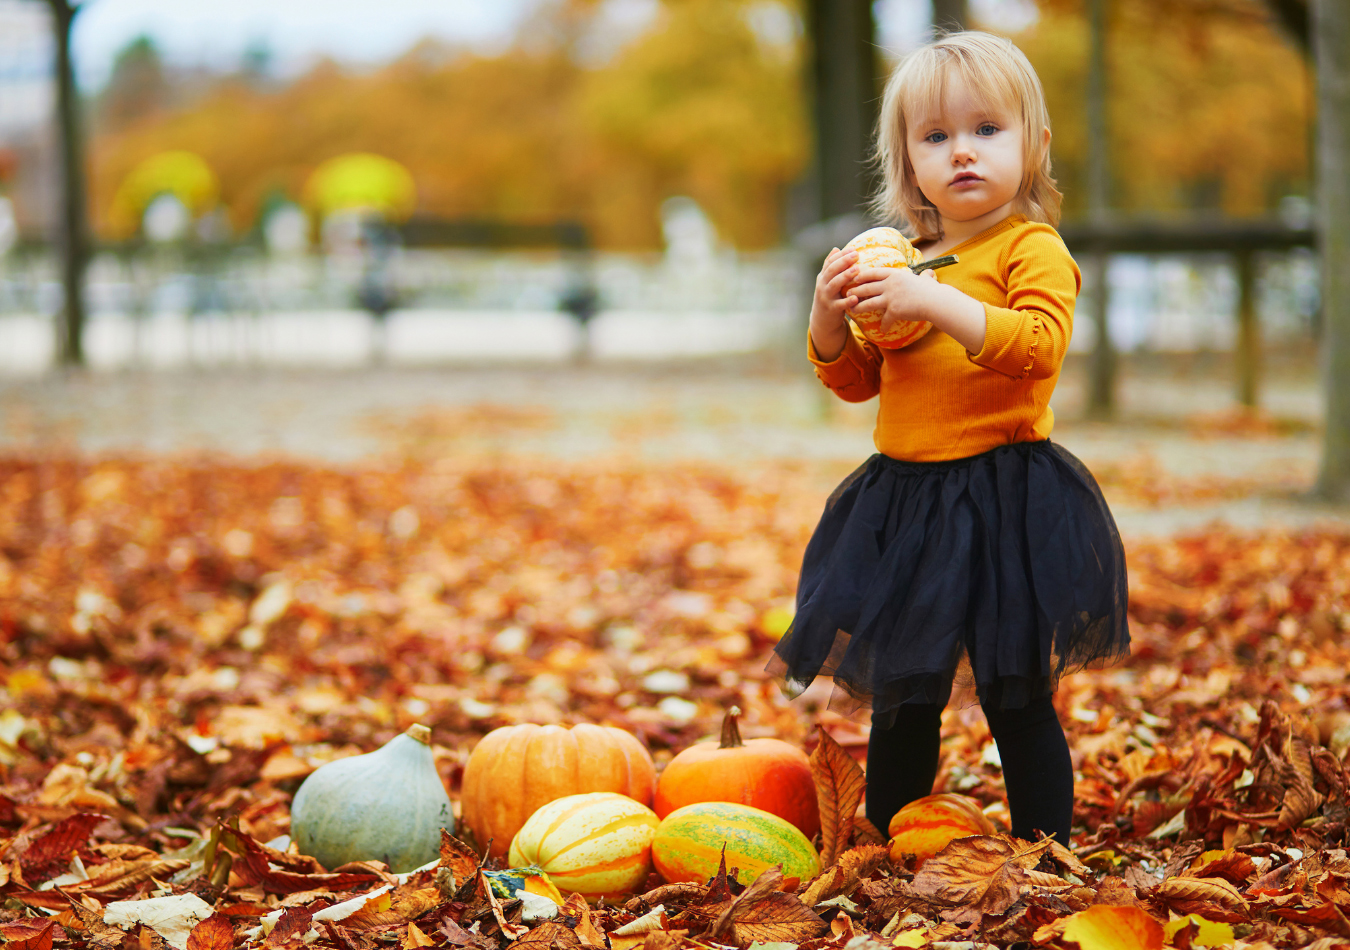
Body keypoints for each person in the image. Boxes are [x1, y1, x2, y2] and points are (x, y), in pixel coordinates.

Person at [767, 31, 1129, 847]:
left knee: (1016, 692)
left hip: (1001, 497)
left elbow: (1036, 346)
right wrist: (830, 314)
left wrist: (929, 303)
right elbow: (858, 379)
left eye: (985, 131)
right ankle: (894, 837)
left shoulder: (1028, 248)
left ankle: (1046, 846)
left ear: (1032, 145)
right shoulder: (905, 259)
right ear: (908, 162)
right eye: (935, 137)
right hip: (908, 504)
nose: (961, 152)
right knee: (905, 691)